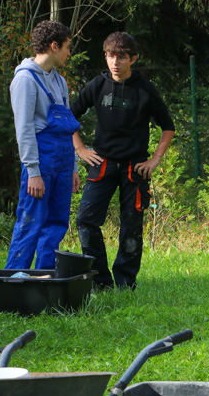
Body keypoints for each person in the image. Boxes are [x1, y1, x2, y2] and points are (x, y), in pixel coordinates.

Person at [71, 32, 175, 290]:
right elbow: (68, 117)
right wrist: (80, 149)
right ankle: (100, 281)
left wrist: (155, 160)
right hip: (101, 164)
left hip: (135, 169)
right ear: (105, 56)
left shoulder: (145, 90)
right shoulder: (96, 85)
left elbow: (168, 127)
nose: (115, 62)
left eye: (121, 57)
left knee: (131, 225)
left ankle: (126, 282)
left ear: (133, 59)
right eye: (110, 56)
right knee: (85, 220)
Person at [6, 20, 81, 270]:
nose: (69, 53)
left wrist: (73, 167)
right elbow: (24, 129)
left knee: (58, 221)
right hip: (41, 160)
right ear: (53, 45)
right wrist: (34, 172)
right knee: (31, 220)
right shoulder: (25, 79)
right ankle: (14, 279)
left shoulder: (60, 81)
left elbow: (68, 126)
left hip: (62, 158)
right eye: (67, 47)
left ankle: (45, 278)